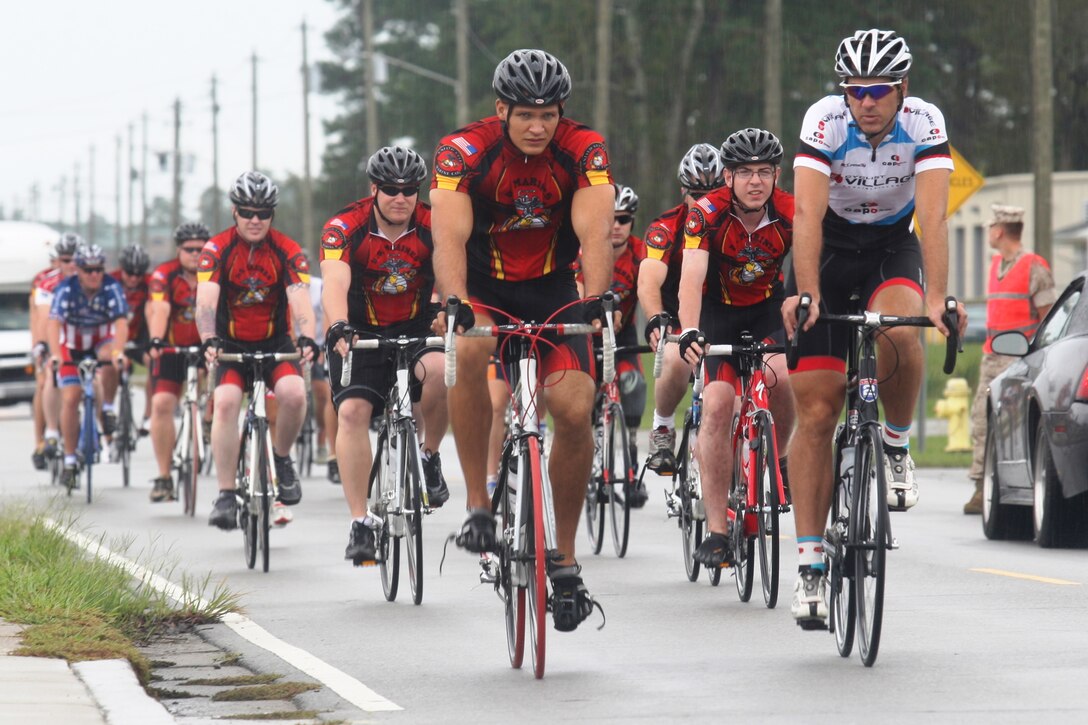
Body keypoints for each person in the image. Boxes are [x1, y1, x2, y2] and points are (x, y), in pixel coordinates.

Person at [781, 29, 967, 627]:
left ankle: (894, 445)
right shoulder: (824, 121)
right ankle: (810, 568)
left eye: (878, 90)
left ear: (901, 89)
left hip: (892, 248)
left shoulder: (925, 121)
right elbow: (806, 213)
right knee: (814, 415)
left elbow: (934, 214)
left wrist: (937, 295)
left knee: (900, 332)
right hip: (828, 252)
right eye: (855, 90)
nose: (866, 101)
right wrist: (805, 290)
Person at [431, 48, 614, 632]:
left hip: (556, 289)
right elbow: (449, 239)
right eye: (525, 115)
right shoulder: (464, 151)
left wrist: (599, 297)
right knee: (468, 348)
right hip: (485, 287)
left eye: (549, 114)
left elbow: (595, 231)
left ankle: (563, 559)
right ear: (501, 109)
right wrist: (457, 304)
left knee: (575, 408)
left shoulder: (584, 148)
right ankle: (478, 508)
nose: (538, 126)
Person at [320, 145, 450, 566]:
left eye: (410, 189)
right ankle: (360, 521)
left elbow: (452, 272)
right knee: (354, 413)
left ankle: (428, 455)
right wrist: (338, 324)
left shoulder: (435, 223)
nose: (401, 198)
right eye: (391, 189)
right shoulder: (345, 227)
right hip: (358, 330)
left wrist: (448, 309)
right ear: (374, 189)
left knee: (439, 370)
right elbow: (334, 283)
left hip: (416, 326)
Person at [676, 128, 796, 568]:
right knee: (719, 404)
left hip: (767, 310)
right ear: (727, 177)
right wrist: (689, 330)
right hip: (717, 313)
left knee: (783, 378)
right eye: (744, 171)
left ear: (776, 175)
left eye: (765, 171)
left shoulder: (789, 210)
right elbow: (690, 276)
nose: (755, 181)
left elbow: (811, 260)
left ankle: (778, 459)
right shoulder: (705, 213)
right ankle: (717, 530)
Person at [197, 171, 316, 530]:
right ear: (234, 212)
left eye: (263, 213)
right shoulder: (217, 249)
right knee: (228, 402)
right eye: (247, 212)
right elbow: (206, 301)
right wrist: (208, 338)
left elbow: (301, 302)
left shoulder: (287, 250)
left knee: (294, 394)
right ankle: (226, 492)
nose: (254, 220)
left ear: (272, 216)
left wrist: (307, 337)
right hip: (230, 345)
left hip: (274, 342)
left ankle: (281, 460)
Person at [639, 143, 726, 476]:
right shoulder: (666, 228)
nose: (704, 201)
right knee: (676, 357)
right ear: (682, 193)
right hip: (679, 317)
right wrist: (654, 318)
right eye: (696, 193)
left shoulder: (735, 223)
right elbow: (648, 279)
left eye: (713, 191)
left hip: (724, 312)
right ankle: (662, 428)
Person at [963, 204, 1055, 514]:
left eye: (990, 227)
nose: (989, 232)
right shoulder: (995, 266)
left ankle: (1005, 488)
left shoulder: (1034, 267)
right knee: (980, 420)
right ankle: (981, 485)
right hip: (992, 358)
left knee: (1011, 427)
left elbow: (1047, 320)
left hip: (1018, 361)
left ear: (1000, 231)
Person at [46, 244, 129, 489]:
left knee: (111, 358)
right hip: (71, 345)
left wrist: (119, 351)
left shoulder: (112, 287)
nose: (94, 274)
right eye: (88, 269)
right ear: (78, 270)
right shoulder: (65, 289)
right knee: (71, 398)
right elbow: (53, 324)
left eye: (98, 269)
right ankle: (70, 461)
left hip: (100, 341)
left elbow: (121, 322)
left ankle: (108, 408)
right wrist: (54, 355)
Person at [145, 223, 209, 502]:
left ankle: (207, 420)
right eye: (189, 249)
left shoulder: (215, 269)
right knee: (161, 405)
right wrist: (157, 339)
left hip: (208, 347)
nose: (195, 254)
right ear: (178, 250)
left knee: (226, 390)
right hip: (173, 349)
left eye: (201, 249)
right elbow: (160, 307)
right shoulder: (164, 274)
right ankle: (164, 476)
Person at [30, 233, 80, 469]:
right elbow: (42, 317)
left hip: (80, 340)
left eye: (75, 259)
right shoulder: (45, 282)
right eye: (65, 259)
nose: (71, 264)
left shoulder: (92, 278)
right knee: (46, 381)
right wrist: (41, 345)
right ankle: (45, 439)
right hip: (53, 338)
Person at [110, 243, 152, 437]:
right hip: (114, 337)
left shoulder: (150, 283)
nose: (134, 278)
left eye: (139, 274)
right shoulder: (110, 281)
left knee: (153, 361)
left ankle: (148, 415)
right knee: (109, 368)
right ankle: (107, 410)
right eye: (129, 273)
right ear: (121, 269)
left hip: (138, 337)